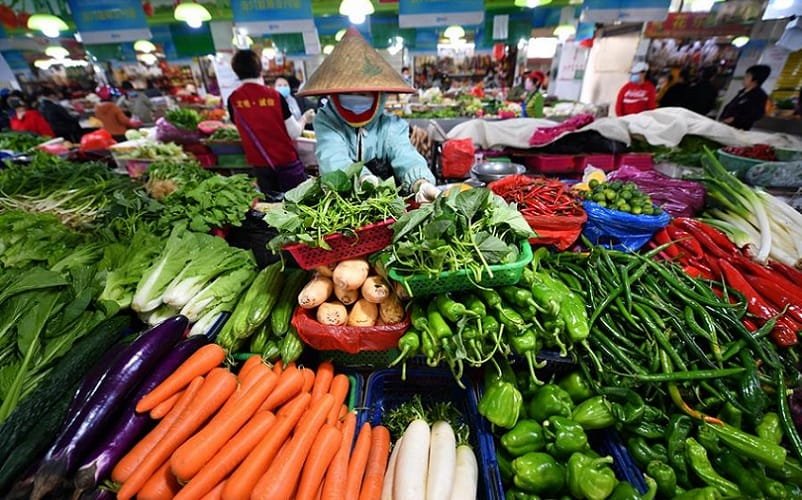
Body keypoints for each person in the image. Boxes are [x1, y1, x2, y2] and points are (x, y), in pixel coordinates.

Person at [298, 28, 437, 203]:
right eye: (349, 93)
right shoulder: (327, 122)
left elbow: (404, 154)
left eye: (364, 94)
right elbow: (332, 157)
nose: (356, 99)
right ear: (334, 94)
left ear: (379, 96)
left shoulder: (390, 125)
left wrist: (420, 182)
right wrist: (363, 178)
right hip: (344, 203)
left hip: (387, 206)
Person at [227, 49, 315, 195]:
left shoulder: (233, 100)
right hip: (286, 163)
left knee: (272, 210)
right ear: (259, 68)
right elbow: (294, 133)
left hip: (260, 166)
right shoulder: (274, 96)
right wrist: (305, 118)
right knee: (298, 205)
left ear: (236, 71)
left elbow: (240, 128)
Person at [719, 65, 771, 130]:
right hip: (725, 126)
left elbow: (756, 115)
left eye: (747, 76)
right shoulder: (743, 91)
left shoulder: (759, 96)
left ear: (755, 80)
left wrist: (735, 119)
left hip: (738, 130)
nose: (744, 78)